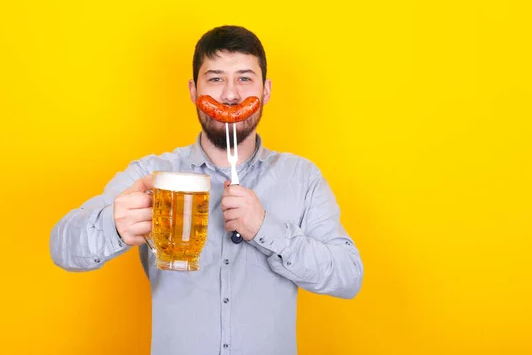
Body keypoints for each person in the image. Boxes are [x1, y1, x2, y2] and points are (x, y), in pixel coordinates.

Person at [50, 25, 364, 355]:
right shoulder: (150, 174)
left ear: (266, 90)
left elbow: (348, 276)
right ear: (193, 90)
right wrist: (111, 226)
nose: (230, 95)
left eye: (245, 78)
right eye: (215, 79)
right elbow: (62, 247)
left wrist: (265, 229)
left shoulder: (301, 177)